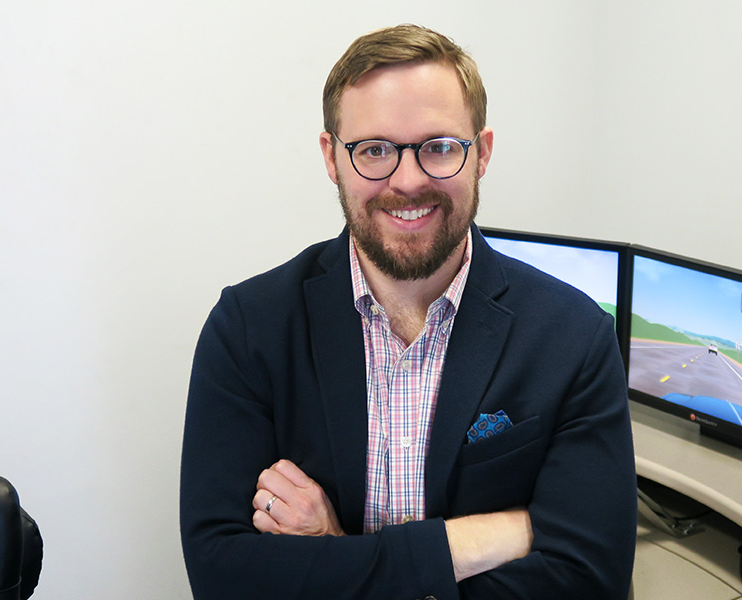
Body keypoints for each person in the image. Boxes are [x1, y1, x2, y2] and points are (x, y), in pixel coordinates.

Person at [179, 24, 636, 599]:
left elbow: (591, 582)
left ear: (483, 153)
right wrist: (482, 539)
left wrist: (334, 545)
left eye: (440, 147)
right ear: (331, 158)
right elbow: (223, 576)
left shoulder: (575, 337)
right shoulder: (248, 329)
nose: (409, 180)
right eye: (374, 150)